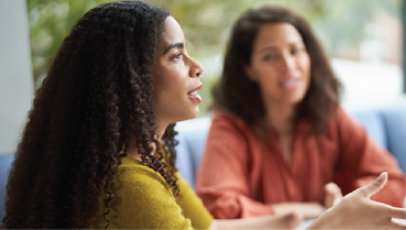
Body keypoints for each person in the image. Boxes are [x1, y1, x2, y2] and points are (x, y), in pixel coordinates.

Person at [2, 1, 406, 229]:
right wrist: (328, 222)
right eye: (177, 55)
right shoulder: (128, 187)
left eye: (296, 51)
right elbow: (222, 207)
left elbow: (210, 228)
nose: (197, 67)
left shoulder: (148, 158)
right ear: (131, 78)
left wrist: (290, 218)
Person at [196, 4, 406, 221]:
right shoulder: (230, 126)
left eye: (295, 51)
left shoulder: (329, 114)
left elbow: (392, 180)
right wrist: (309, 210)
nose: (288, 65)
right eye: (270, 57)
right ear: (248, 69)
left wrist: (346, 203)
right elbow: (217, 208)